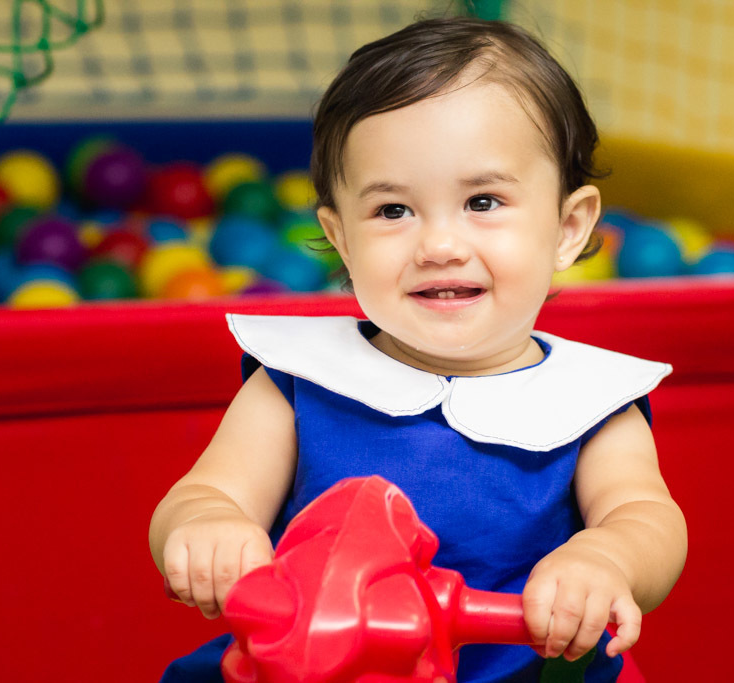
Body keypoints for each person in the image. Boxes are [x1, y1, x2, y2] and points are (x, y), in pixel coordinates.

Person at [150, 15, 687, 683]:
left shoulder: (589, 402)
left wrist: (607, 559)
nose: (439, 246)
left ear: (567, 228)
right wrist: (207, 525)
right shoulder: (300, 381)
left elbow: (645, 516)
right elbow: (207, 492)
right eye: (393, 211)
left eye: (483, 201)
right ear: (341, 238)